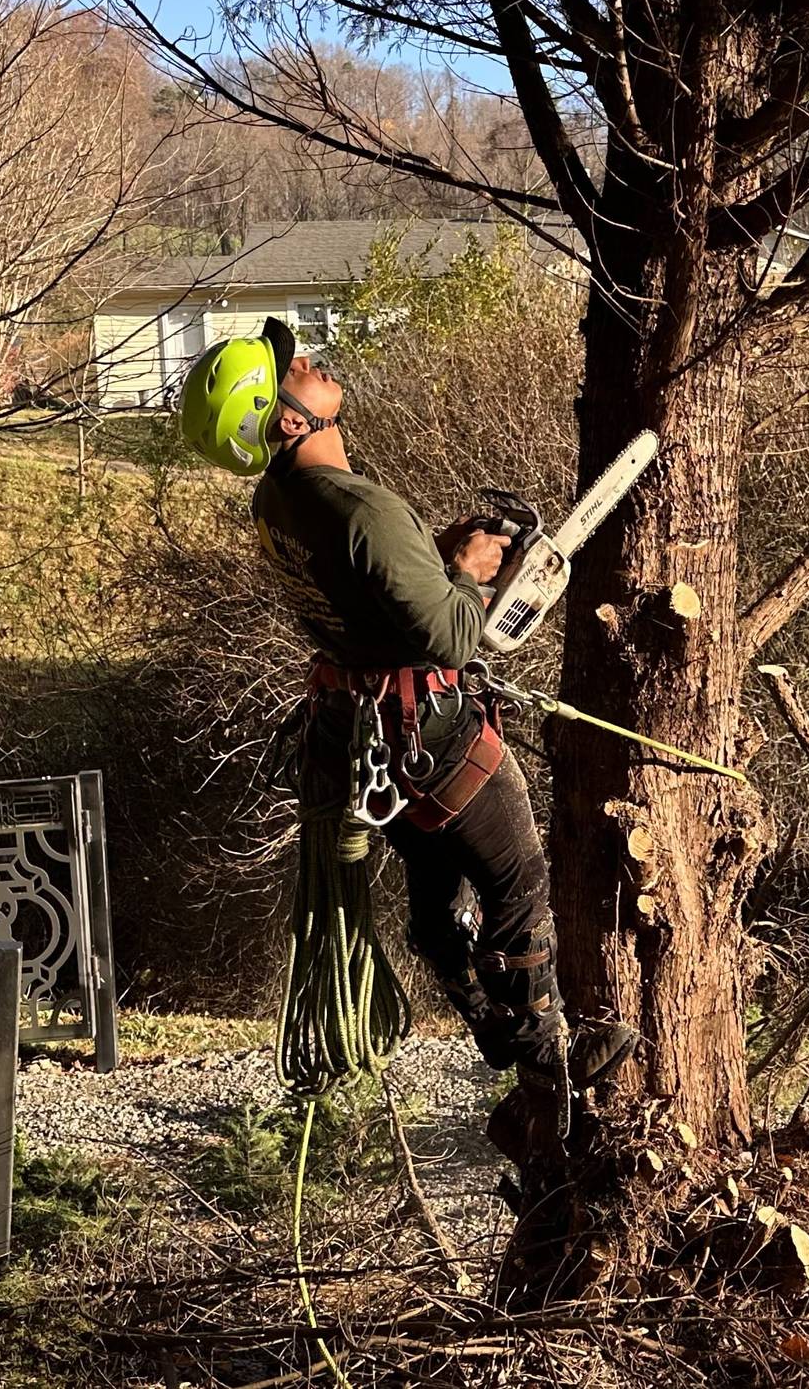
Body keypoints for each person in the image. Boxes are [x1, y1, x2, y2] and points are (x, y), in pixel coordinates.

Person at [175, 319, 636, 1097]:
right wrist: (462, 571)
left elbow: (366, 589)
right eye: (295, 369)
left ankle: (482, 1015)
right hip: (432, 732)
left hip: (362, 740)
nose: (311, 363)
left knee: (434, 883)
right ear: (290, 419)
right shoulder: (364, 513)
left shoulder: (276, 500)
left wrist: (429, 557)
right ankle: (548, 1049)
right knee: (516, 878)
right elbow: (457, 638)